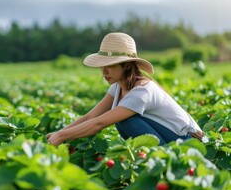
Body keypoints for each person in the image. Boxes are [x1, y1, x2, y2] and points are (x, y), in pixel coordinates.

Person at [46, 32, 204, 146]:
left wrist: (61, 136)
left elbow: (98, 124)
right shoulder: (118, 87)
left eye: (110, 65)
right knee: (124, 121)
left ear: (127, 64)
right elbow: (90, 117)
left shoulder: (142, 91)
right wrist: (58, 134)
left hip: (190, 143)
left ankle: (163, 163)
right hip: (171, 139)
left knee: (125, 121)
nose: (104, 71)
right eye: (102, 65)